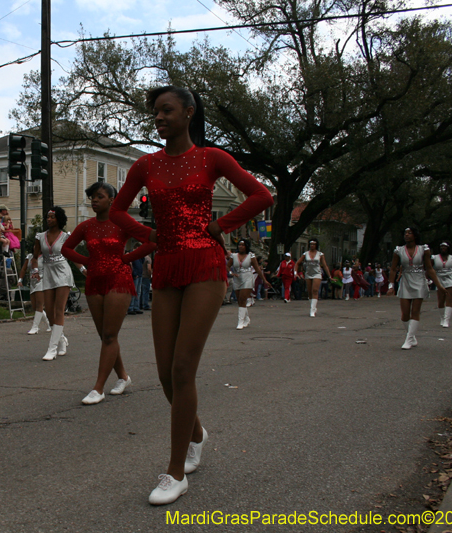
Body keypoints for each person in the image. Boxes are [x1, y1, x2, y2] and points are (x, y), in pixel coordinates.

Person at [110, 86, 273, 505]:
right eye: (155, 112)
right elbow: (116, 210)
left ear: (188, 112)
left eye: (166, 110)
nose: (159, 118)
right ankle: (197, 431)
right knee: (165, 374)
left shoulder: (212, 158)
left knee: (183, 368)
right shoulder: (146, 165)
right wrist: (147, 234)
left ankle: (175, 471)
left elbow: (261, 195)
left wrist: (221, 227)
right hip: (166, 267)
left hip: (204, 266)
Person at [62, 181, 156, 404]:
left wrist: (126, 259)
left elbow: (151, 241)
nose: (94, 200)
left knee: (109, 336)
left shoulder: (122, 222)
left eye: (100, 196)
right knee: (105, 336)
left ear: (112, 200)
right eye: (92, 196)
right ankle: (123, 377)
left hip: (118, 279)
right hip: (94, 281)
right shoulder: (86, 226)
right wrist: (88, 261)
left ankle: (98, 388)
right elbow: (65, 248)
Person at [32, 206, 79, 361]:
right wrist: (35, 273)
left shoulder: (66, 237)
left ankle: (52, 349)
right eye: (48, 217)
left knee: (59, 310)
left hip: (63, 273)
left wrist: (83, 269)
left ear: (59, 219)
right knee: (50, 312)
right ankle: (62, 339)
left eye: (52, 217)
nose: (49, 219)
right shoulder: (40, 236)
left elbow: (73, 255)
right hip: (47, 273)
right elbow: (35, 256)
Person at [387, 227, 445, 349]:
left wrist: (439, 285)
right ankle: (412, 337)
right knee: (405, 314)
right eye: (405, 233)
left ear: (415, 236)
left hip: (419, 280)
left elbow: (429, 268)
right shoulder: (399, 250)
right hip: (405, 281)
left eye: (410, 233)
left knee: (415, 312)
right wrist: (391, 285)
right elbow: (393, 269)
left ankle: (408, 339)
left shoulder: (424, 249)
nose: (407, 235)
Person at [226, 239, 270, 329]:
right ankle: (246, 319)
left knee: (243, 298)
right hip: (237, 278)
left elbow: (257, 269)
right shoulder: (234, 256)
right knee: (239, 300)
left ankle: (240, 321)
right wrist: (231, 273)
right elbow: (227, 266)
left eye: (243, 245)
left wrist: (264, 280)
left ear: (246, 246)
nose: (240, 246)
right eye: (239, 245)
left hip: (247, 277)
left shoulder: (251, 256)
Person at [294, 239, 332, 317]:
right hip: (308, 274)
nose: (312, 245)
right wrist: (295, 273)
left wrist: (329, 276)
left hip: (317, 274)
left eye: (314, 244)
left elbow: (324, 265)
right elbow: (297, 263)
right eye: (311, 244)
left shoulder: (320, 254)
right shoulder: (306, 254)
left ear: (316, 245)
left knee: (315, 290)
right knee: (310, 292)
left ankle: (312, 310)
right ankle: (313, 306)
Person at [432, 242, 452, 328]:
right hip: (439, 279)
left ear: (448, 248)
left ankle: (447, 320)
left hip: (451, 278)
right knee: (441, 301)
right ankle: (442, 318)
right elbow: (429, 269)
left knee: (449, 299)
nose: (443, 248)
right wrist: (427, 279)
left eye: (445, 247)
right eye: (442, 247)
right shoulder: (434, 258)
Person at [18, 252, 51, 334]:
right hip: (32, 283)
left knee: (39, 304)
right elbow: (24, 268)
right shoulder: (29, 256)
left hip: (42, 281)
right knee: (35, 306)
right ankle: (49, 323)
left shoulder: (46, 256)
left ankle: (35, 327)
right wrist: (20, 280)